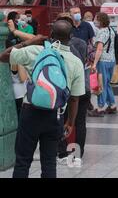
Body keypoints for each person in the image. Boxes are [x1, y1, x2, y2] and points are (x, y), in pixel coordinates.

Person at [0, 21, 85, 178]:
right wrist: (70, 122)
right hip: (55, 115)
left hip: (30, 112)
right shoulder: (76, 62)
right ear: (71, 37)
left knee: (23, 161)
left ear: (51, 35)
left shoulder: (36, 51)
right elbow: (74, 98)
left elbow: (3, 56)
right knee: (49, 163)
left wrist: (30, 41)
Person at [55, 14, 90, 164]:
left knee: (60, 119)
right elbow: (83, 61)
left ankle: (63, 153)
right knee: (80, 122)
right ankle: (78, 155)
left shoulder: (53, 45)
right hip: (83, 86)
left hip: (63, 88)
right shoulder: (81, 43)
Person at [91, 12, 117, 115]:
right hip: (111, 60)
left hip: (103, 61)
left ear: (101, 21)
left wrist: (94, 63)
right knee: (107, 84)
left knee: (101, 84)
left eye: (96, 19)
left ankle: (100, 107)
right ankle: (112, 105)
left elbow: (99, 49)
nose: (94, 21)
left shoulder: (101, 32)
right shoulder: (111, 30)